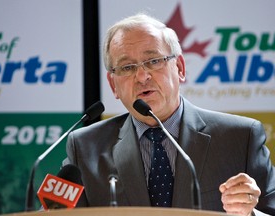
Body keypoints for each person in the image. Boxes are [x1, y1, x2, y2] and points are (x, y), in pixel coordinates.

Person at [63, 14, 275, 215]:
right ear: (113, 85)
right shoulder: (85, 147)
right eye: (127, 67)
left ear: (180, 68)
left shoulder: (240, 138)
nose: (142, 76)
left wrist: (250, 213)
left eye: (154, 61)